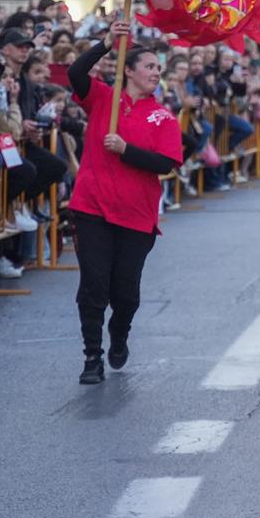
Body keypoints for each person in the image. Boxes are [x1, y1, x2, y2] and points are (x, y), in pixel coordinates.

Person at [65, 20, 183, 385]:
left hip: (136, 215)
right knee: (94, 285)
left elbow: (166, 164)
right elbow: (74, 72)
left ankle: (119, 333)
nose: (156, 73)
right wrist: (104, 43)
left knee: (125, 293)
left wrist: (127, 150)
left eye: (159, 68)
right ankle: (92, 357)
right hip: (92, 207)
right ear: (128, 70)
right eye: (149, 66)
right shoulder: (103, 97)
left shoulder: (164, 117)